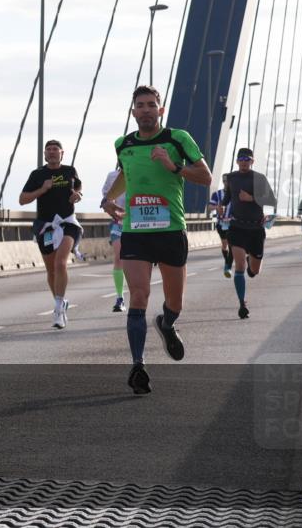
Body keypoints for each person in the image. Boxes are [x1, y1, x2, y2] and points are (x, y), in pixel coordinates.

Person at [102, 86, 211, 395]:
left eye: (152, 105)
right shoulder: (123, 144)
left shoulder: (178, 139)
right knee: (138, 296)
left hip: (170, 230)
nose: (146, 110)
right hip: (135, 232)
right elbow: (126, 174)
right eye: (140, 105)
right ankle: (138, 366)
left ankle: (167, 323)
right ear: (133, 112)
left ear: (160, 111)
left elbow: (205, 177)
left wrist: (173, 166)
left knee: (175, 303)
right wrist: (107, 200)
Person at [19, 139, 83, 329]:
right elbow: (22, 199)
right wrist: (42, 189)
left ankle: (58, 309)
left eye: (56, 149)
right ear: (45, 154)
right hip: (46, 227)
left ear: (62, 153)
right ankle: (60, 301)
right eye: (49, 149)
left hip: (67, 223)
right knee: (51, 270)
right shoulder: (37, 174)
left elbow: (78, 187)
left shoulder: (70, 171)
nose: (52, 152)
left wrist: (78, 195)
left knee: (60, 263)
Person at [222, 148, 277, 319]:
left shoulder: (259, 178)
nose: (244, 162)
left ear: (252, 161)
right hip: (237, 227)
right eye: (241, 159)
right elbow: (227, 198)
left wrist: (251, 198)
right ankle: (242, 304)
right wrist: (220, 207)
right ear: (237, 161)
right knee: (239, 266)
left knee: (254, 271)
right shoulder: (231, 178)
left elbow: (271, 200)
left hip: (255, 229)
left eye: (247, 159)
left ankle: (250, 261)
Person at [101, 167, 126, 312]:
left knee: (136, 262)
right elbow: (106, 199)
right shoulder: (112, 176)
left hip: (138, 223)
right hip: (119, 223)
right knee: (118, 257)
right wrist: (111, 207)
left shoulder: (141, 169)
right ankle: (120, 297)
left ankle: (139, 295)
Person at [208, 175, 234, 278]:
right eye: (224, 181)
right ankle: (227, 261)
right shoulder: (217, 194)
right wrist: (216, 207)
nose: (226, 183)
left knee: (232, 244)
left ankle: (228, 267)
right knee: (224, 245)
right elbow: (210, 207)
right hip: (221, 223)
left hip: (233, 224)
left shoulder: (236, 194)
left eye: (228, 181)